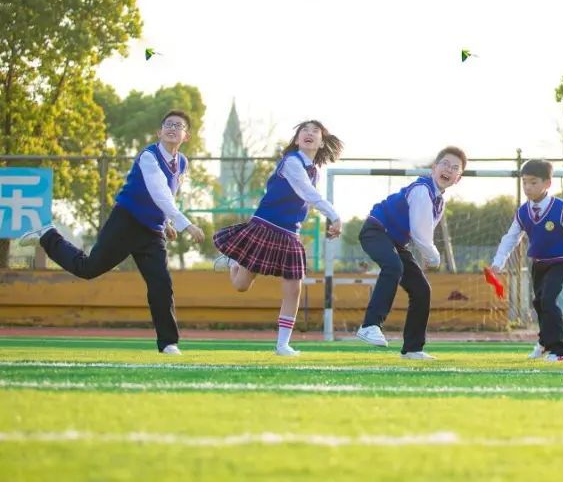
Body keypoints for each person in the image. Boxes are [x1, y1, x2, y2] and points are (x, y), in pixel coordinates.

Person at [18, 110, 205, 355]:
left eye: (178, 125)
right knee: (88, 269)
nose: (172, 128)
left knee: (161, 284)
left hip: (152, 232)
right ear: (159, 132)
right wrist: (185, 224)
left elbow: (169, 193)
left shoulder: (182, 162)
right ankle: (47, 235)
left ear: (186, 136)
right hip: (126, 221)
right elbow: (158, 190)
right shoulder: (149, 157)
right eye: (168, 124)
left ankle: (168, 344)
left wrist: (167, 222)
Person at [213, 120, 344, 356]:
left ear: (321, 142)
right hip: (265, 226)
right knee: (241, 285)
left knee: (294, 289)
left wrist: (330, 218)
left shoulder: (314, 170)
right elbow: (308, 193)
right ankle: (234, 261)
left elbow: (308, 200)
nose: (309, 133)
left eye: (315, 131)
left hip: (290, 234)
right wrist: (334, 216)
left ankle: (282, 344)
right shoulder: (292, 162)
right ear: (296, 140)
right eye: (304, 130)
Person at [354, 146, 467, 359]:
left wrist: (426, 254)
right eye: (444, 164)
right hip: (376, 230)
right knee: (393, 266)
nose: (448, 170)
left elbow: (423, 232)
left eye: (455, 168)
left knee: (422, 289)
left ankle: (413, 348)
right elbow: (420, 233)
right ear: (434, 168)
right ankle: (369, 325)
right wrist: (433, 256)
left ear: (458, 178)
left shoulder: (439, 201)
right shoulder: (422, 190)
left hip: (397, 242)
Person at [490, 159, 563, 362]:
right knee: (539, 303)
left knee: (548, 300)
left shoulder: (561, 209)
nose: (527, 187)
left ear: (547, 184)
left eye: (533, 182)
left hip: (559, 262)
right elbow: (510, 238)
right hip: (538, 263)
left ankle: (560, 351)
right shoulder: (523, 212)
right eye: (524, 182)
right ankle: (544, 342)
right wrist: (498, 262)